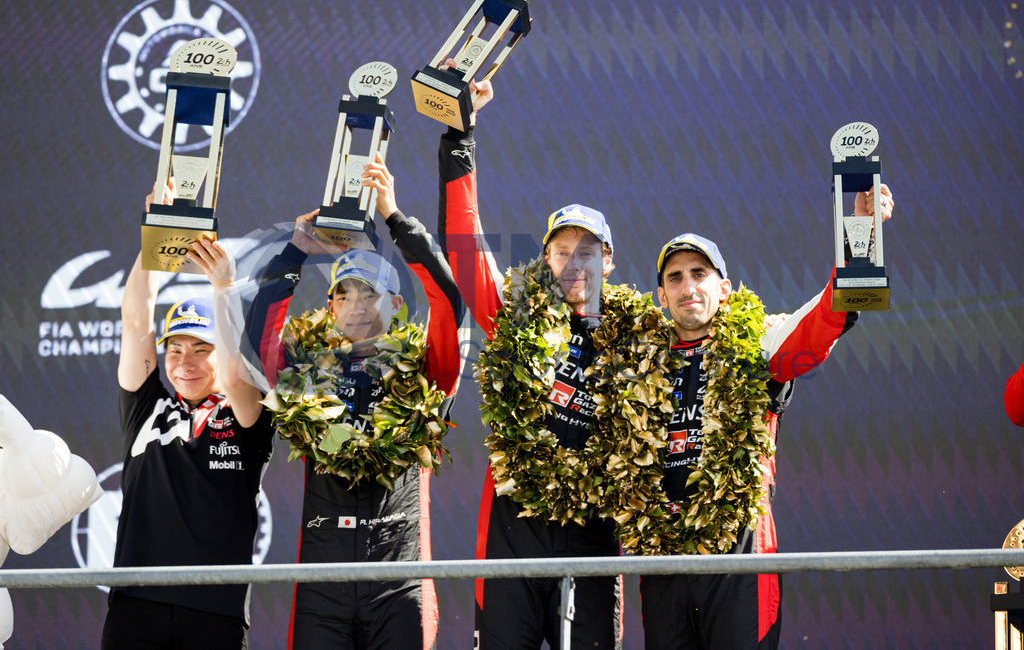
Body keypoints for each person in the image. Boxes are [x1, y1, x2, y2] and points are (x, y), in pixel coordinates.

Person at [638, 185, 895, 649]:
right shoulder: (637, 366)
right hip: (662, 560)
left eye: (700, 273)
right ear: (660, 295)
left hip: (742, 555)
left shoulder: (757, 347)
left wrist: (863, 232)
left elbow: (822, 320)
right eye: (675, 278)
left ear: (725, 288)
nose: (688, 286)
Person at [439, 82, 639, 648]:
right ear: (545, 258)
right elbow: (465, 245)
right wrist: (461, 137)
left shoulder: (641, 339)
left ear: (610, 260)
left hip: (594, 530)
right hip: (513, 526)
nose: (574, 262)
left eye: (588, 251)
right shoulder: (515, 315)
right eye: (561, 250)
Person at [243, 153, 468, 648]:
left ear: (397, 303)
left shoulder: (427, 371)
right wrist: (296, 250)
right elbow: (259, 341)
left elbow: (450, 303)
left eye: (371, 294)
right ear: (329, 307)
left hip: (401, 581)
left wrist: (394, 217)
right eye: (343, 295)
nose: (356, 307)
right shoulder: (303, 375)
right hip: (322, 585)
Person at [101, 181, 274, 649]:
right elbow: (137, 319)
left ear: (221, 356)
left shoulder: (245, 412)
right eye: (175, 349)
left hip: (215, 609)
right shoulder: (147, 405)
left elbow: (239, 378)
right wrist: (157, 234)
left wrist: (224, 288)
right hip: (137, 603)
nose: (185, 362)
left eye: (201, 349)